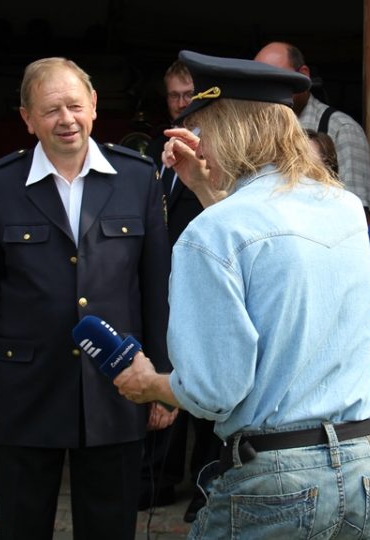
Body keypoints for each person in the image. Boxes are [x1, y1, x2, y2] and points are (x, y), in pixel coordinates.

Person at [114, 50, 370, 538]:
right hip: (364, 468)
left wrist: (150, 383)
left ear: (229, 131)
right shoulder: (344, 208)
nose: (199, 148)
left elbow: (212, 391)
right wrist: (206, 191)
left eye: (202, 132)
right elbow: (267, 240)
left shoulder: (211, 235)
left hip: (274, 478)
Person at [0, 57, 173, 540]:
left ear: (94, 106)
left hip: (118, 387)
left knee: (110, 527)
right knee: (23, 526)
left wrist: (161, 379)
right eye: (51, 109)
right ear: (27, 118)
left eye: (75, 105)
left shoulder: (138, 178)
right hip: (25, 392)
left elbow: (157, 289)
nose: (66, 119)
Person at [139, 59, 219, 523]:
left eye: (188, 94)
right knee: (163, 375)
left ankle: (205, 487)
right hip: (162, 285)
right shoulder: (152, 150)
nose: (181, 103)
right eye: (173, 95)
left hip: (205, 285)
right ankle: (156, 479)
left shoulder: (217, 153)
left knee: (206, 387)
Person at [306, 129, 370, 386]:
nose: (296, 181)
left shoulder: (356, 233)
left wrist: (357, 397)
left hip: (331, 408)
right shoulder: (265, 233)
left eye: (308, 172)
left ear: (329, 177)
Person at [255, 41, 370, 223]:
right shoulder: (255, 130)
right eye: (260, 80)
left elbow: (360, 216)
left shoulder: (340, 129)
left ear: (303, 75)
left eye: (275, 78)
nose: (267, 88)